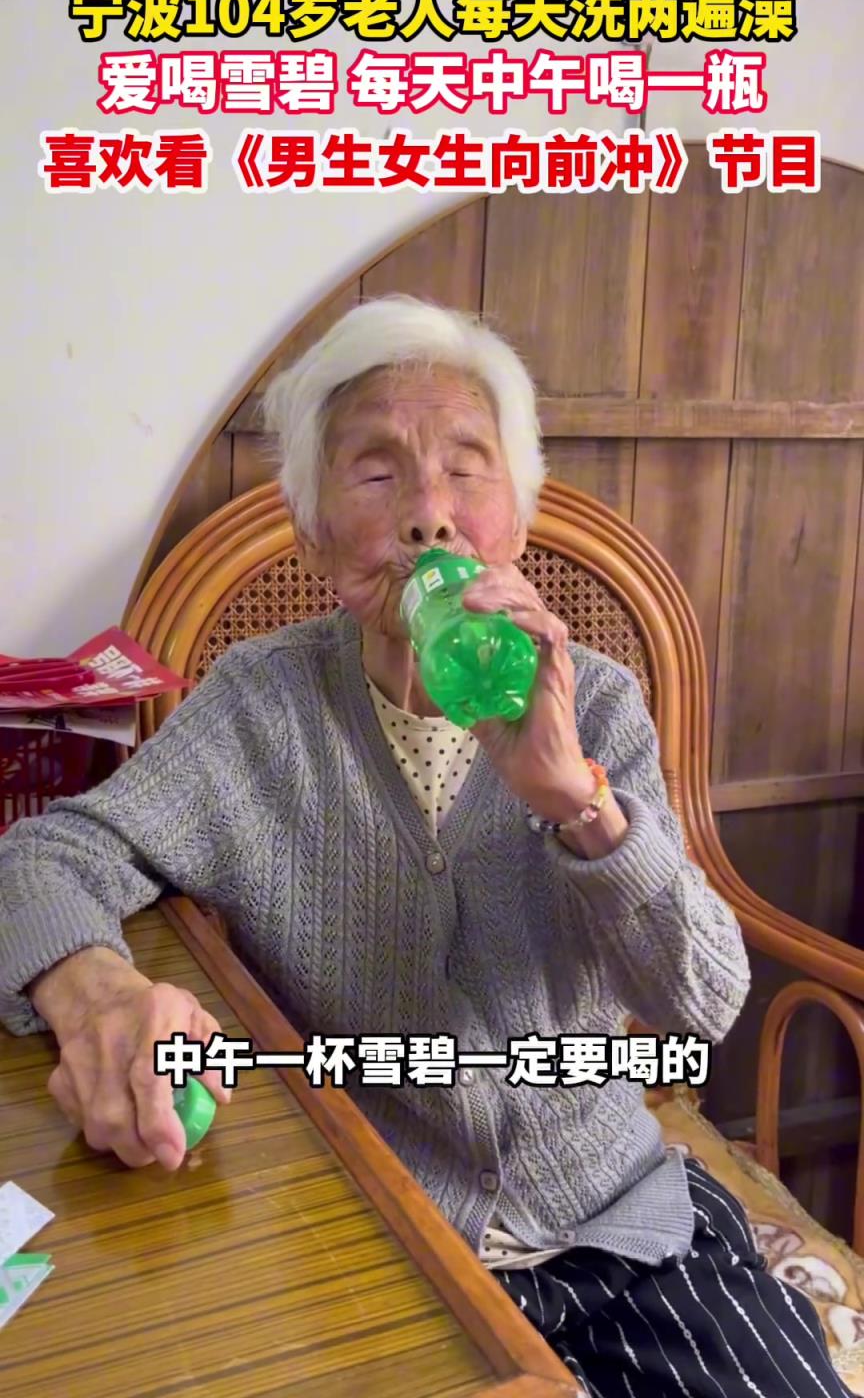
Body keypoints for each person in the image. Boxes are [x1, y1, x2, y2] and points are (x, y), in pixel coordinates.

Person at [0, 295, 850, 1397]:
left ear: (519, 520)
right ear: (314, 533)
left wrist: (579, 804)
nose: (430, 518)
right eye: (376, 472)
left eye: (465, 468)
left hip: (621, 1226)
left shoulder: (596, 703)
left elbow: (705, 998)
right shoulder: (260, 705)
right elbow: (45, 859)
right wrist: (98, 992)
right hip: (369, 1244)